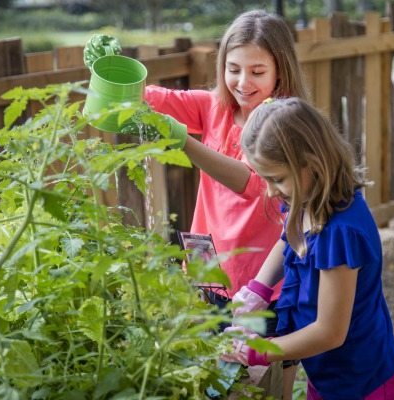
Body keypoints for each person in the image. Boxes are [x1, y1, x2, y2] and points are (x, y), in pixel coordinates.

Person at [141, 9, 309, 398]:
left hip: (264, 281)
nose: (242, 82)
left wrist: (184, 141)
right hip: (207, 269)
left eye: (257, 71)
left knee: (265, 383)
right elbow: (149, 99)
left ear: (279, 71)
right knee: (213, 382)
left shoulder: (283, 121)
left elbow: (250, 184)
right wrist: (111, 70)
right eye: (234, 69)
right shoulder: (212, 106)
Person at [221, 97, 394, 399]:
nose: (270, 190)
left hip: (364, 384)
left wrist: (259, 351)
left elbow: (330, 332)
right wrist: (259, 288)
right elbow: (290, 239)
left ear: (312, 161)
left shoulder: (342, 232)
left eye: (277, 178)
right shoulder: (307, 198)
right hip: (327, 377)